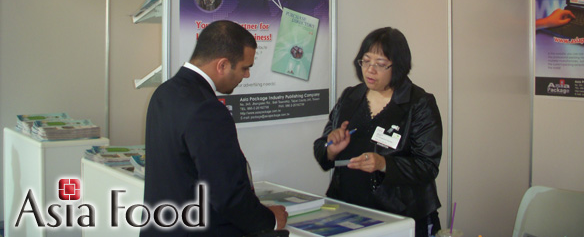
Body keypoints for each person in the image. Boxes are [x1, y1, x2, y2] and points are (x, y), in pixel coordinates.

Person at [142, 20, 288, 236]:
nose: (247, 75)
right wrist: (270, 220)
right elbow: (227, 195)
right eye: (245, 68)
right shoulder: (207, 109)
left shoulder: (163, 93)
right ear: (222, 65)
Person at [313, 27, 443, 237]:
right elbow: (322, 148)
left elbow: (427, 165)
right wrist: (330, 149)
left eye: (380, 64)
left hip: (399, 215)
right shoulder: (351, 97)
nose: (370, 70)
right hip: (347, 210)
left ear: (398, 66)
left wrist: (384, 164)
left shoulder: (419, 103)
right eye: (366, 61)